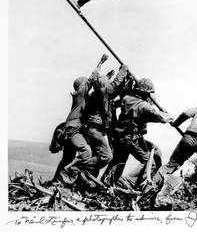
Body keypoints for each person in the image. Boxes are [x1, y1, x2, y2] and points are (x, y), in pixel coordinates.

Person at [101, 77, 173, 187]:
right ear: (146, 93)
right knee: (150, 163)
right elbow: (163, 119)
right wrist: (166, 114)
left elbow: (114, 104)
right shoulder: (144, 106)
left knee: (119, 161)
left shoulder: (126, 98)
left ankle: (106, 182)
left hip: (120, 135)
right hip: (131, 138)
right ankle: (127, 182)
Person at [52, 54, 108, 183]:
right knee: (86, 151)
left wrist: (108, 77)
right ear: (82, 86)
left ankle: (56, 180)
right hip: (74, 128)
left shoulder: (82, 97)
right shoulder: (81, 94)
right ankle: (70, 173)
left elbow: (98, 86)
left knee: (68, 157)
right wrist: (101, 62)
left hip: (71, 128)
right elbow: (93, 77)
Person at [77, 64, 131, 178]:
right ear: (103, 84)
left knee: (98, 156)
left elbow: (117, 93)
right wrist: (123, 70)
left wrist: (128, 81)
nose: (109, 83)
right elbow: (115, 86)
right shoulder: (102, 92)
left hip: (94, 130)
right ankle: (77, 167)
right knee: (107, 156)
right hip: (95, 130)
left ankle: (87, 181)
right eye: (107, 82)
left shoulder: (100, 95)